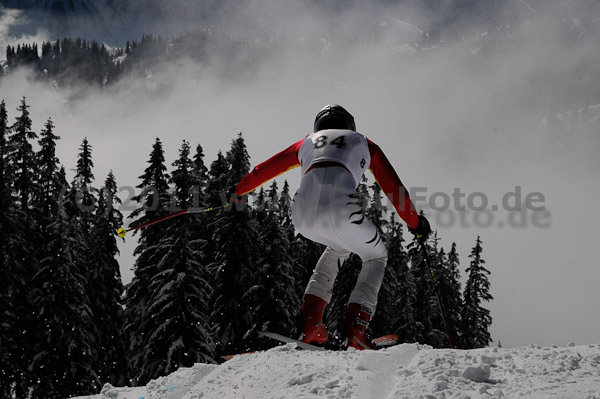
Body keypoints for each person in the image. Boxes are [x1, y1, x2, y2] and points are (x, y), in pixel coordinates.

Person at [234, 104, 431, 349]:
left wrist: (234, 193)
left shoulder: (306, 142)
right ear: (349, 125)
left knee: (338, 249)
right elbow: (395, 191)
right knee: (376, 256)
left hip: (302, 215)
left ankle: (310, 323)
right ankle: (357, 327)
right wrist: (416, 223)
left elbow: (261, 171)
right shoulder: (363, 142)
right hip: (343, 211)